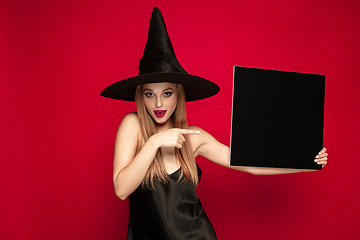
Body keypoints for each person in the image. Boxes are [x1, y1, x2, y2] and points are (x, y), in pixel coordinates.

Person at [101, 7, 328, 240]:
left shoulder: (194, 137)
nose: (158, 102)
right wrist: (155, 142)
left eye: (167, 93)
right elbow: (121, 189)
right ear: (141, 96)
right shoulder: (133, 124)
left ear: (179, 95)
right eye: (149, 94)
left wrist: (307, 161)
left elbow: (249, 165)